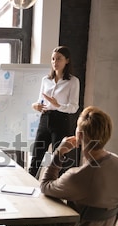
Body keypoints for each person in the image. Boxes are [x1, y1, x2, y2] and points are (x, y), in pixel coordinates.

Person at [7, 106, 118, 226]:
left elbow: (45, 185)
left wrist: (59, 152)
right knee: (80, 201)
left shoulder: (80, 176)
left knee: (13, 219)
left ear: (79, 136)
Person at [28, 46, 80, 178]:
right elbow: (40, 101)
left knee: (59, 159)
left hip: (61, 120)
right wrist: (35, 106)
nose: (55, 62)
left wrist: (58, 105)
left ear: (67, 60)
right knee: (36, 156)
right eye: (53, 59)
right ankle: (29, 187)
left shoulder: (73, 81)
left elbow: (74, 107)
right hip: (45, 118)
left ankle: (58, 190)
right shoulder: (46, 80)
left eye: (59, 59)